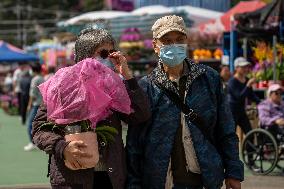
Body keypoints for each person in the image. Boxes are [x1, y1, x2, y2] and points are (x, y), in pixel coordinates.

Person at [126, 15, 243, 189]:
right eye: (167, 41)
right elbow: (135, 143)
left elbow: (225, 129)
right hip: (161, 181)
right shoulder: (146, 87)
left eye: (179, 40)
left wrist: (233, 171)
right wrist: (134, 184)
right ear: (155, 46)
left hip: (205, 180)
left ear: (186, 41)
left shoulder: (209, 79)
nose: (174, 46)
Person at [32, 28, 151, 189]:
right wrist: (62, 148)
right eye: (103, 53)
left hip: (111, 176)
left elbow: (140, 115)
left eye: (112, 52)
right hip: (72, 177)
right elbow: (39, 129)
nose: (108, 58)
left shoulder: (114, 86)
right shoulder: (61, 85)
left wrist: (128, 76)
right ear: (85, 55)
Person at [227, 57, 260, 134]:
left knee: (250, 134)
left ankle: (248, 146)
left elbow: (251, 95)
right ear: (236, 68)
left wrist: (261, 102)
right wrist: (248, 85)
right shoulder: (232, 82)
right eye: (243, 67)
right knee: (231, 136)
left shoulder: (247, 79)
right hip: (232, 112)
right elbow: (239, 97)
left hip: (241, 111)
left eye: (246, 67)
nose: (245, 69)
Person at [24, 62, 45, 151]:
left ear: (33, 70)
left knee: (30, 124)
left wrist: (29, 105)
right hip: (43, 105)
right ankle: (38, 142)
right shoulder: (43, 78)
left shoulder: (35, 79)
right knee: (39, 125)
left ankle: (32, 143)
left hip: (36, 105)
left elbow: (32, 94)